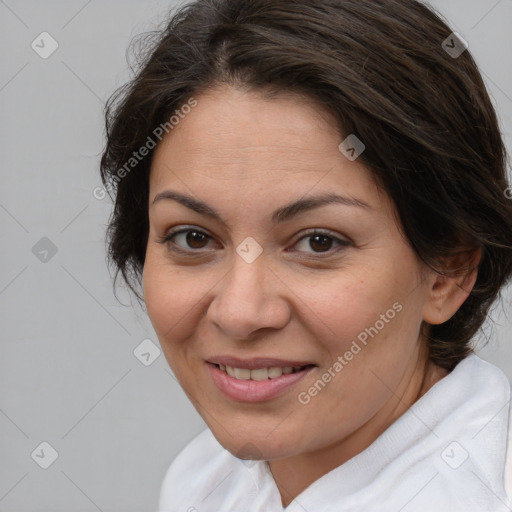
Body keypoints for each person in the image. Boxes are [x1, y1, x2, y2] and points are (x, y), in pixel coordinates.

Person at [99, 0, 512, 510]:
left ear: (448, 269)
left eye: (319, 241)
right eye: (194, 238)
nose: (240, 312)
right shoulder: (203, 480)